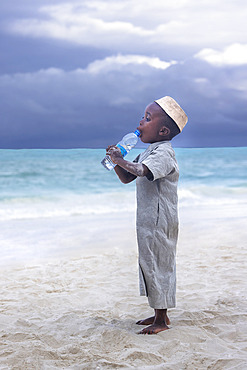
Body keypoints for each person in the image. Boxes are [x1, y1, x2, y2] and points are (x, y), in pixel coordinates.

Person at [106, 96, 188, 335]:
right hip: (148, 219)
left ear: (163, 130)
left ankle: (162, 320)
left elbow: (142, 171)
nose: (140, 123)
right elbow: (127, 177)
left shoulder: (164, 153)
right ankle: (157, 314)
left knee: (159, 264)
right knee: (149, 263)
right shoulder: (150, 151)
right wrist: (116, 161)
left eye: (147, 118)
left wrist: (121, 159)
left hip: (161, 220)